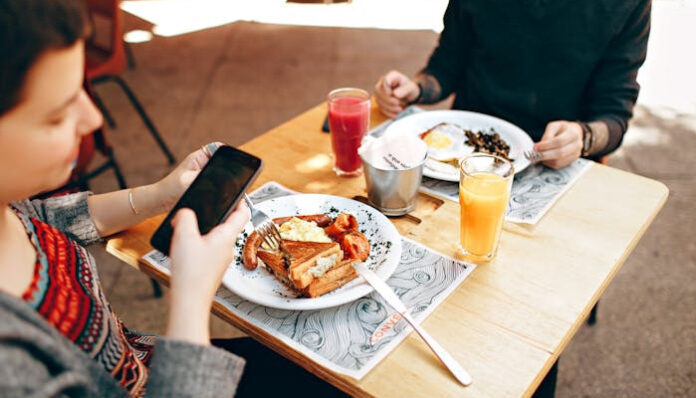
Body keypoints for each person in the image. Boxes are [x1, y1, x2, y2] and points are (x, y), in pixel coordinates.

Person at [0, 1, 345, 396]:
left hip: (145, 357)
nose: (93, 119)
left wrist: (160, 195)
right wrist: (191, 295)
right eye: (57, 115)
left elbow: (44, 218)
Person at [375, 0, 651, 169]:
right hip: (463, 152)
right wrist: (417, 88)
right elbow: (446, 65)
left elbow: (614, 116)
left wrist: (583, 136)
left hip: (554, 162)